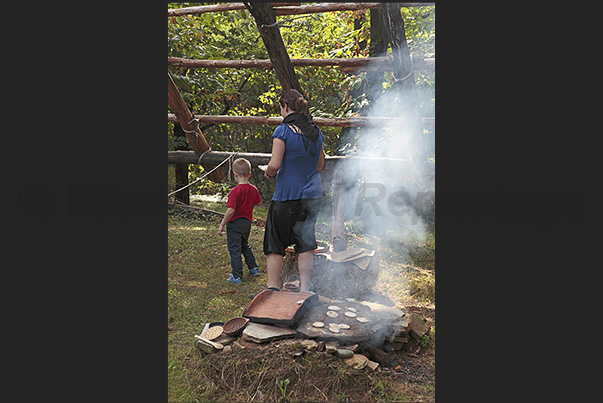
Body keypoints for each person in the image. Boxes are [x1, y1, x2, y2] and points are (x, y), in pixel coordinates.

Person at [263, 89, 325, 293]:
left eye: (281, 107)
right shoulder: (316, 132)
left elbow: (275, 163)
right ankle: (305, 289)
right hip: (313, 196)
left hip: (287, 195)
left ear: (285, 107)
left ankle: (272, 289)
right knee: (306, 242)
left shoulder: (283, 131)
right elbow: (319, 166)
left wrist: (270, 173)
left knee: (275, 242)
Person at [218, 158, 263, 284]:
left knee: (234, 250)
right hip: (246, 223)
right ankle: (254, 268)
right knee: (244, 245)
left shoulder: (235, 191)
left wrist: (222, 224)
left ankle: (236, 276)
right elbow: (259, 203)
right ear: (249, 174)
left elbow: (231, 210)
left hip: (235, 224)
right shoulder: (253, 189)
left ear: (235, 174)